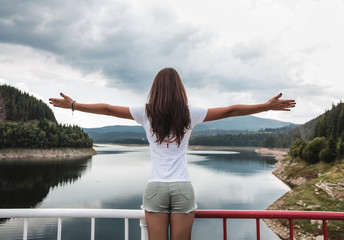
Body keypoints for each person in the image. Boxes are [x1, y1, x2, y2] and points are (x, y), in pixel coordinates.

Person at [49, 67, 296, 240]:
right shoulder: (190, 113)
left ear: (155, 89)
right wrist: (265, 106)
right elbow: (231, 111)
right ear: (180, 89)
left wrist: (74, 105)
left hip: (155, 188)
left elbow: (108, 109)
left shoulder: (145, 112)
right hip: (182, 188)